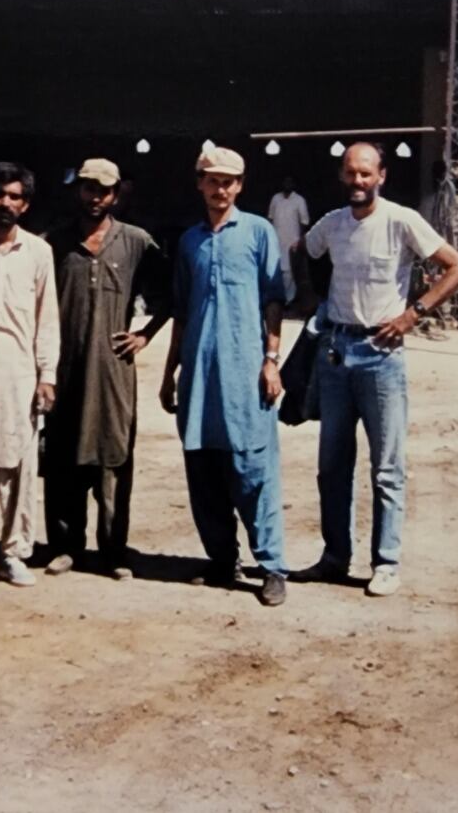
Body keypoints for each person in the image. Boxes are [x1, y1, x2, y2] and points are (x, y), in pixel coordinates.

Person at [294, 143, 458, 597]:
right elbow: (302, 249)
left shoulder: (401, 220)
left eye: (366, 174)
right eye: (351, 174)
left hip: (381, 354)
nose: (358, 182)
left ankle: (386, 562)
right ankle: (335, 557)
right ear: (342, 175)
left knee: (386, 468)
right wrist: (313, 299)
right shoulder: (332, 224)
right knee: (332, 465)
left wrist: (414, 314)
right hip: (335, 352)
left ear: (382, 176)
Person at [160, 147, 289, 607]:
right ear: (199, 183)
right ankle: (221, 559)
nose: (221, 189)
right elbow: (180, 309)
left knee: (253, 469)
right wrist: (169, 371)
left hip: (244, 373)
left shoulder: (258, 232)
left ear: (241, 185)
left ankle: (272, 566)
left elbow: (275, 299)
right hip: (199, 373)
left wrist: (271, 359)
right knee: (204, 468)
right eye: (213, 180)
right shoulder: (190, 241)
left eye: (230, 181)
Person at [42, 157, 170, 580]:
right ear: (77, 190)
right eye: (88, 188)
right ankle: (64, 546)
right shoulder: (54, 244)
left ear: (117, 194)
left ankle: (114, 551)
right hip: (65, 369)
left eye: (104, 190)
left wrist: (145, 334)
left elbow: (171, 293)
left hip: (114, 372)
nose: (95, 197)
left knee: (113, 457)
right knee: (62, 455)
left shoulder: (135, 241)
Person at [0, 162, 59, 588]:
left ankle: (13, 552)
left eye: (14, 196)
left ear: (25, 204)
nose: (5, 203)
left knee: (18, 467)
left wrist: (47, 376)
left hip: (20, 375)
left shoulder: (39, 254)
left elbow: (47, 320)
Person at [266, 175, 309, 305]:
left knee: (290, 271)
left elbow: (304, 221)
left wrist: (300, 240)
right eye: (285, 182)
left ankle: (288, 300)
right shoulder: (276, 198)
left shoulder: (299, 200)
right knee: (277, 269)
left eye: (290, 182)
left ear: (294, 185)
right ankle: (278, 298)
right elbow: (270, 218)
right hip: (277, 240)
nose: (287, 184)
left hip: (292, 241)